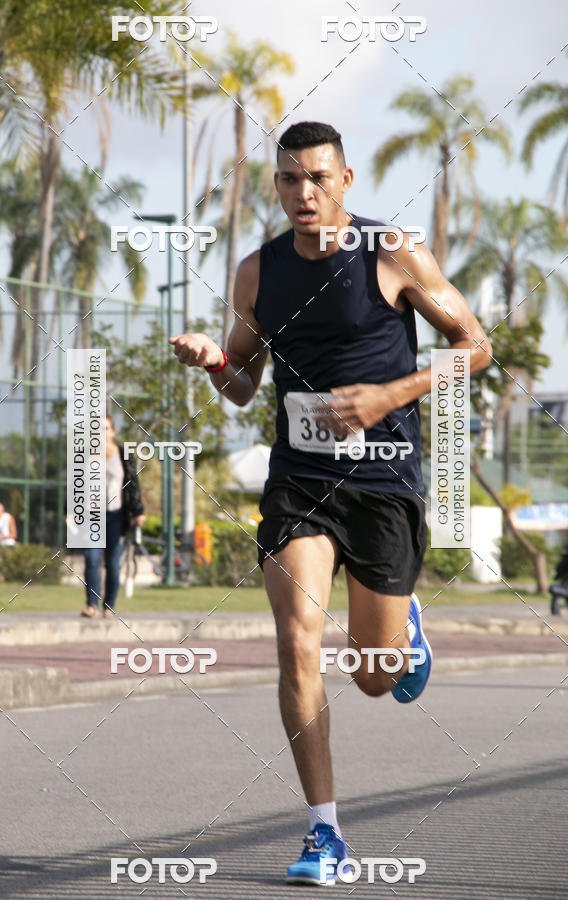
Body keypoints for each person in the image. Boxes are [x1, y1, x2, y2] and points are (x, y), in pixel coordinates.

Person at [170, 121, 492, 885]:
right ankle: (325, 834)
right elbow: (247, 383)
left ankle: (400, 633)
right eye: (289, 180)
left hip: (383, 480)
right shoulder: (258, 271)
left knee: (374, 676)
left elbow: (475, 345)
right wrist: (217, 359)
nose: (303, 193)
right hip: (300, 479)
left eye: (318, 178)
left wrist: (391, 393)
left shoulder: (393, 251)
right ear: (277, 186)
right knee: (296, 638)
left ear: (345, 180)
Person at [81, 416, 146, 619]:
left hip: (117, 516)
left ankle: (109, 606)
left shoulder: (124, 455)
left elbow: (133, 485)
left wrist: (138, 512)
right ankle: (92, 605)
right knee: (91, 559)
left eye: (105, 428)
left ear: (113, 432)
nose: (101, 432)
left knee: (113, 563)